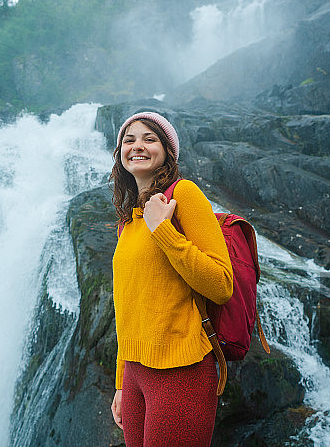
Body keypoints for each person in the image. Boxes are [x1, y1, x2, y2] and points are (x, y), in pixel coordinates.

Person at [109, 111, 233, 446]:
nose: (138, 146)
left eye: (150, 139)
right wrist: (121, 381)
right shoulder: (128, 221)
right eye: (129, 139)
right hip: (135, 373)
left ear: (168, 151)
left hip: (181, 370)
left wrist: (164, 231)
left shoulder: (185, 196)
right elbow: (127, 305)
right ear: (120, 152)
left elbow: (222, 285)